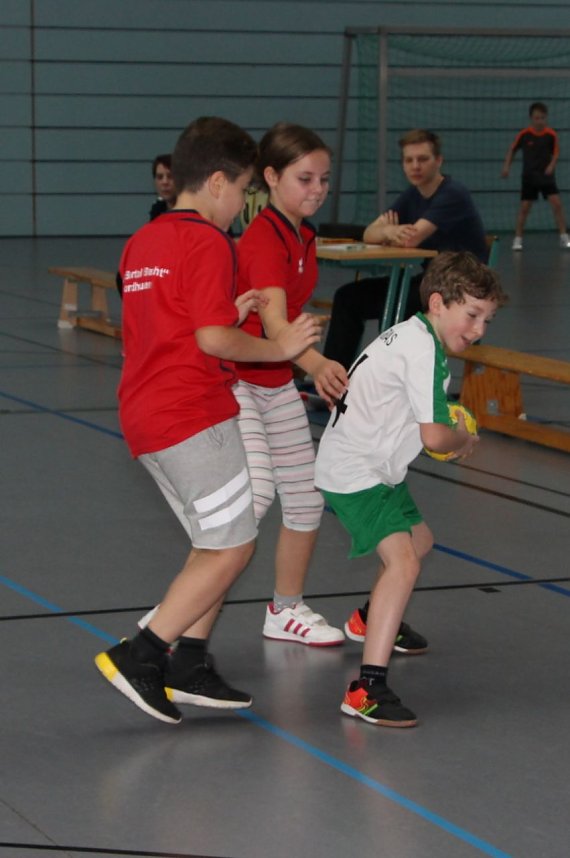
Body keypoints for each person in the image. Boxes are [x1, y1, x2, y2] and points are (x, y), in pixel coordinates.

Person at [94, 116, 322, 724]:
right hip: (192, 413)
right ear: (218, 182)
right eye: (244, 189)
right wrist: (280, 348)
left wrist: (230, 306)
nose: (242, 204)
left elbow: (175, 318)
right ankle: (141, 654)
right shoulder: (207, 241)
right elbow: (214, 339)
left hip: (144, 415)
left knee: (211, 543)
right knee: (231, 548)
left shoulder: (145, 239)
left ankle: (188, 663)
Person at [315, 251, 507, 726]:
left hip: (374, 467)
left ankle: (369, 619)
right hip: (357, 473)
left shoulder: (419, 336)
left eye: (488, 319)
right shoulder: (421, 350)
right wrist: (463, 440)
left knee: (420, 542)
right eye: (473, 315)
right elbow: (435, 436)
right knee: (402, 563)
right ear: (439, 303)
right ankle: (367, 689)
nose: (480, 329)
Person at [233, 122, 347, 645]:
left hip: (275, 380)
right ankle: (174, 619)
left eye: (324, 178)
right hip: (236, 380)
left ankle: (285, 610)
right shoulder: (263, 239)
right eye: (305, 178)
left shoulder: (304, 233)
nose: (318, 189)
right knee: (254, 500)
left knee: (305, 498)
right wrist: (318, 364)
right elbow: (277, 326)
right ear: (272, 177)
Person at [323, 129, 488, 372]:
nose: (415, 166)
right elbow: (370, 232)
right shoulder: (412, 196)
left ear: (438, 161)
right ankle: (334, 379)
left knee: (396, 309)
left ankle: (396, 383)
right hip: (430, 282)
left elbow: (411, 239)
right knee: (348, 298)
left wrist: (392, 232)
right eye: (408, 160)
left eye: (423, 159)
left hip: (461, 288)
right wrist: (389, 233)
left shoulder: (453, 194)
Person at [501, 101, 570, 251]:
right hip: (529, 177)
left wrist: (551, 165)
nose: (540, 121)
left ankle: (564, 237)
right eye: (537, 118)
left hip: (546, 178)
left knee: (557, 204)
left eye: (543, 118)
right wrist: (507, 166)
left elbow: (556, 153)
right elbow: (512, 150)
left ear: (546, 118)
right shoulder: (524, 135)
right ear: (531, 118)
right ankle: (518, 239)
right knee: (525, 208)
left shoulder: (551, 135)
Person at [149, 153, 176, 220]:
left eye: (170, 176)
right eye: (160, 177)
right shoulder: (156, 213)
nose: (165, 182)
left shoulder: (192, 211)